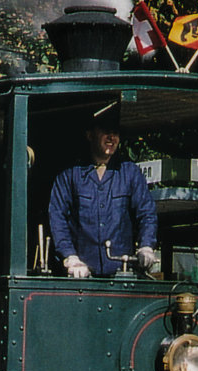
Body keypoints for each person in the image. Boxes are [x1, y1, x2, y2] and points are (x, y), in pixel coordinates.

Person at [48, 108, 158, 277]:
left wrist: (146, 246)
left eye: (115, 133)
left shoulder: (130, 173)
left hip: (121, 274)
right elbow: (57, 217)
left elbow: (147, 213)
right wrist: (70, 256)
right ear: (90, 135)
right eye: (105, 132)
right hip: (80, 276)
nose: (111, 138)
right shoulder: (70, 174)